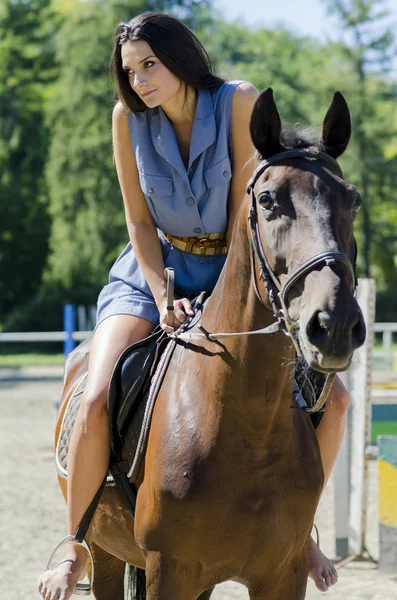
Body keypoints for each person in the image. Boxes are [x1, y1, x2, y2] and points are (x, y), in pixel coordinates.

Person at [38, 12, 346, 599]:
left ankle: (299, 531)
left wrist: (219, 296)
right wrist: (162, 294)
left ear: (180, 59)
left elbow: (246, 210)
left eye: (149, 65)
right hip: (153, 272)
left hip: (238, 273)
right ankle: (75, 546)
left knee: (337, 403)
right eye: (130, 72)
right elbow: (137, 220)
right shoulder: (126, 119)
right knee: (98, 394)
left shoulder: (238, 102)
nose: (140, 81)